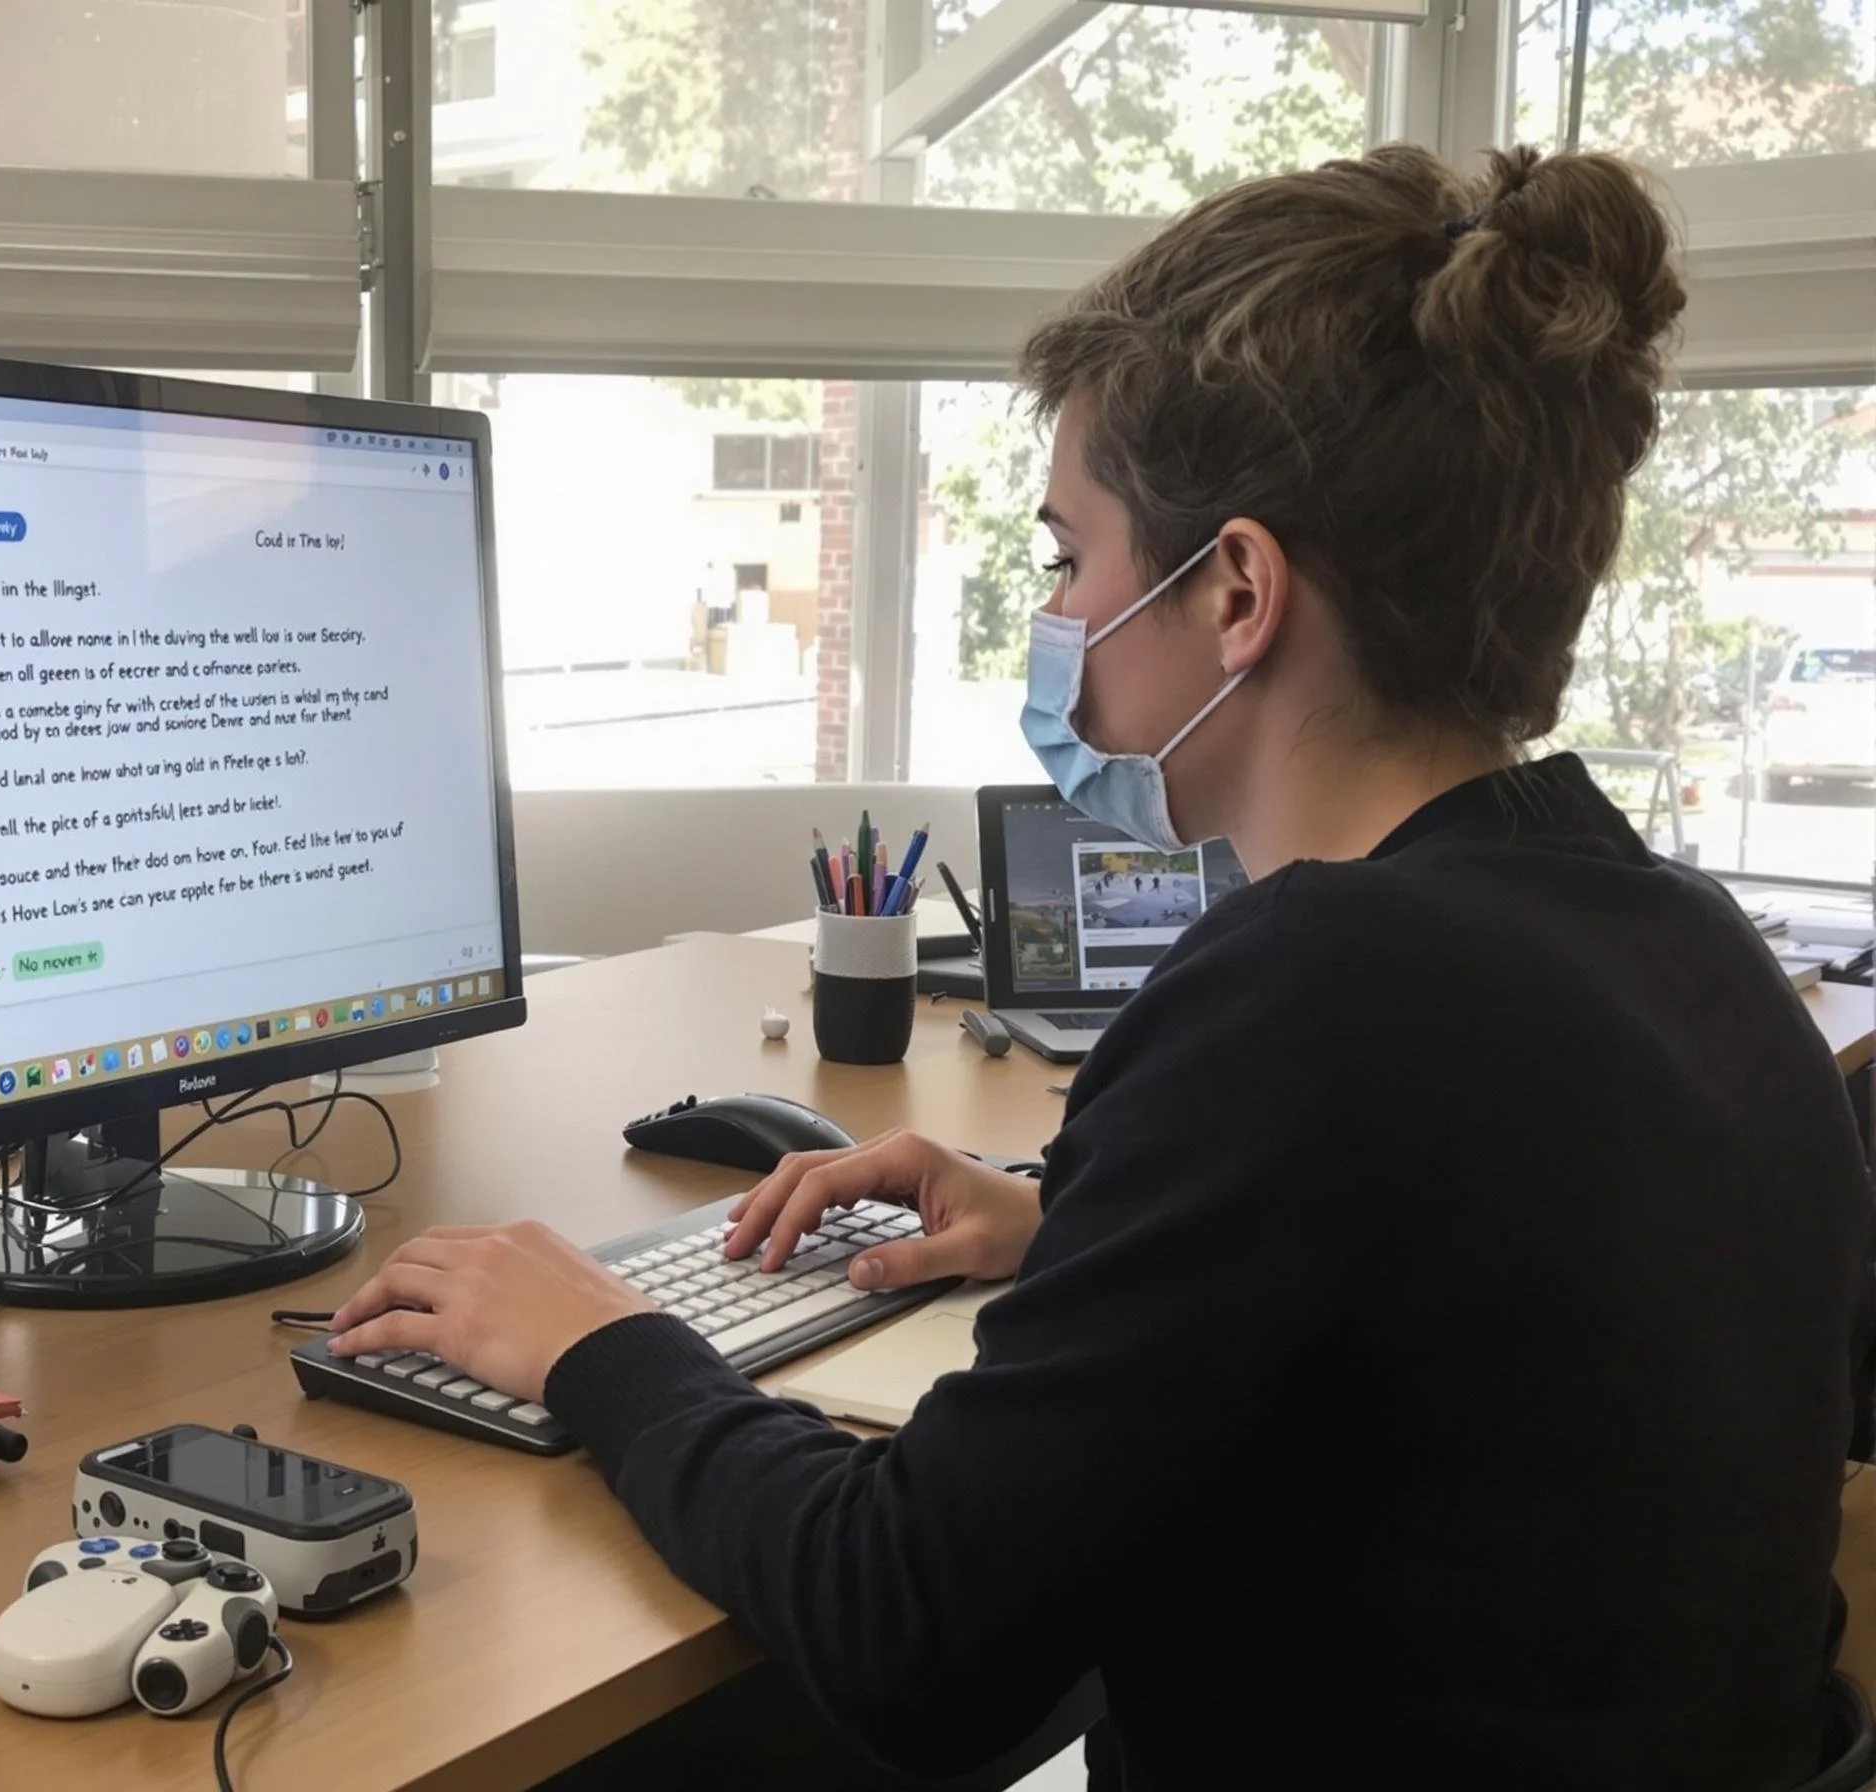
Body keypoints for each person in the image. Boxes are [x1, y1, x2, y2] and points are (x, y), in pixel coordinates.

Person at [327, 143, 1876, 1790]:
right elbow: (1506, 1329)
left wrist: (603, 1337)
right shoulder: (1680, 938)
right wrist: (1087, 1230)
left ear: (1237, 591)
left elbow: (907, 1636)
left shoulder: (1315, 987)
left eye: (1071, 558)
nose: (1056, 614)